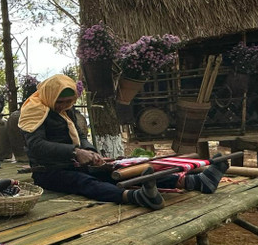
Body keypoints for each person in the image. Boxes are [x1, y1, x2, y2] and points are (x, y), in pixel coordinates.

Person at [19, 74, 228, 210]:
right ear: (49, 96)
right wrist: (75, 152)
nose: (63, 105)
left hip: (75, 163)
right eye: (60, 101)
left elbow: (81, 136)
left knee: (125, 171)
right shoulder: (34, 111)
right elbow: (36, 146)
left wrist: (91, 152)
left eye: (68, 101)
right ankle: (136, 197)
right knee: (86, 184)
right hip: (48, 172)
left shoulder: (67, 111)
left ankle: (193, 182)